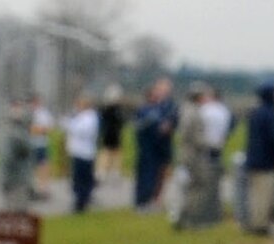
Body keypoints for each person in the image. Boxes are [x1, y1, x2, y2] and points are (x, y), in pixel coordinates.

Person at [241, 80, 274, 235]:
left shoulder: (255, 113)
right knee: (265, 195)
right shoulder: (270, 114)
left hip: (253, 159)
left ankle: (254, 221)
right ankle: (260, 225)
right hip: (266, 162)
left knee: (255, 194)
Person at [172, 94, 223, 229]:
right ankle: (192, 218)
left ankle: (182, 216)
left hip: (185, 154)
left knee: (189, 186)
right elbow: (197, 138)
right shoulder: (194, 114)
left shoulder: (186, 111)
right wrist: (214, 145)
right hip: (194, 156)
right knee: (199, 185)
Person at [133, 78, 178, 210]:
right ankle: (144, 200)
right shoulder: (146, 110)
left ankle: (154, 199)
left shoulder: (169, 106)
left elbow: (174, 120)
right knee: (147, 175)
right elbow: (142, 128)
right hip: (148, 149)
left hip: (160, 147)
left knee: (159, 175)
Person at [64, 94, 100, 213]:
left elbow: (83, 131)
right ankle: (80, 199)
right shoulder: (80, 116)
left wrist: (71, 125)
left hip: (85, 152)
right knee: (78, 178)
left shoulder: (90, 117)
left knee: (82, 178)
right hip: (77, 151)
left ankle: (82, 201)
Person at [0, 98, 35, 210]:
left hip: (12, 176)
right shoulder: (16, 134)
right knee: (17, 210)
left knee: (12, 208)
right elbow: (9, 156)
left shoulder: (8, 131)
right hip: (16, 177)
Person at [196, 84, 231, 168]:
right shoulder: (224, 110)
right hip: (219, 143)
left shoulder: (205, 109)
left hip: (205, 144)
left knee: (205, 167)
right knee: (215, 164)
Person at [96, 85, 127, 182]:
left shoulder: (119, 110)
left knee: (116, 155)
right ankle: (102, 173)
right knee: (106, 154)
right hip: (108, 135)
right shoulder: (106, 110)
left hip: (116, 135)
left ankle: (115, 173)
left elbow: (122, 122)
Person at [28, 94, 54, 196]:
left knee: (42, 166)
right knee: (29, 168)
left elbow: (48, 128)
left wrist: (35, 129)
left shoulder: (43, 113)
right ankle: (30, 188)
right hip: (29, 144)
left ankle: (43, 188)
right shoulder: (29, 113)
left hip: (41, 144)